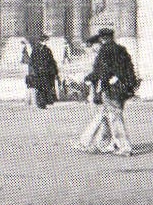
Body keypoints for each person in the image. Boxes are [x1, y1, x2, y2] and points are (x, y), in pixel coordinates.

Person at [74, 27, 137, 155]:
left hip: (111, 88)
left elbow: (103, 70)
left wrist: (87, 78)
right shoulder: (121, 49)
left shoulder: (105, 50)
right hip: (123, 87)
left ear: (102, 39)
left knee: (114, 116)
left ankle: (124, 146)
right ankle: (94, 142)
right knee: (103, 114)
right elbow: (128, 69)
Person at [26, 38, 59, 109]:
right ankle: (42, 103)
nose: (47, 42)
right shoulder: (44, 50)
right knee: (42, 88)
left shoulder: (38, 49)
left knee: (41, 88)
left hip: (41, 72)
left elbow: (32, 61)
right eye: (46, 41)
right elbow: (51, 61)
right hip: (42, 72)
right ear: (43, 41)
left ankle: (42, 103)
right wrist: (54, 71)